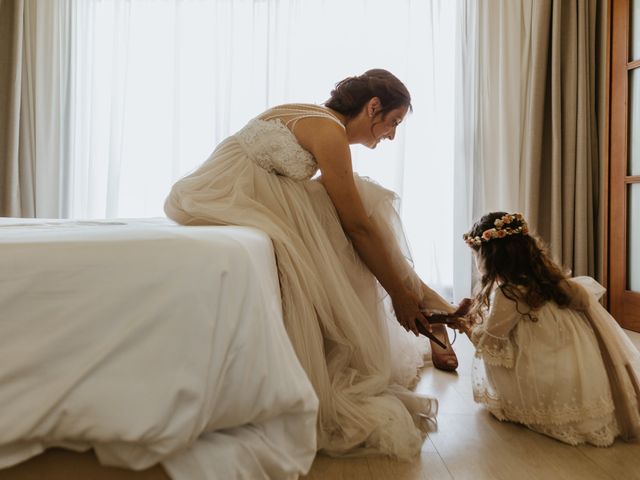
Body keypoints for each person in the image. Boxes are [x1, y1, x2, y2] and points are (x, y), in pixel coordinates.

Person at [164, 69, 460, 459]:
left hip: (236, 189)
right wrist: (395, 292)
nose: (391, 135)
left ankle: (433, 307)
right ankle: (428, 307)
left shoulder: (308, 113)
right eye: (392, 122)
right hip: (234, 195)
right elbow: (355, 226)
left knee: (364, 204)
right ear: (373, 107)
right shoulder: (330, 132)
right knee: (360, 221)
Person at [454, 211, 640, 446]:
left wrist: (465, 325)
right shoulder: (550, 282)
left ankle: (528, 404)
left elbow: (490, 345)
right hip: (582, 375)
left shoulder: (508, 292)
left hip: (548, 380)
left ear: (488, 256)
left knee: (492, 358)